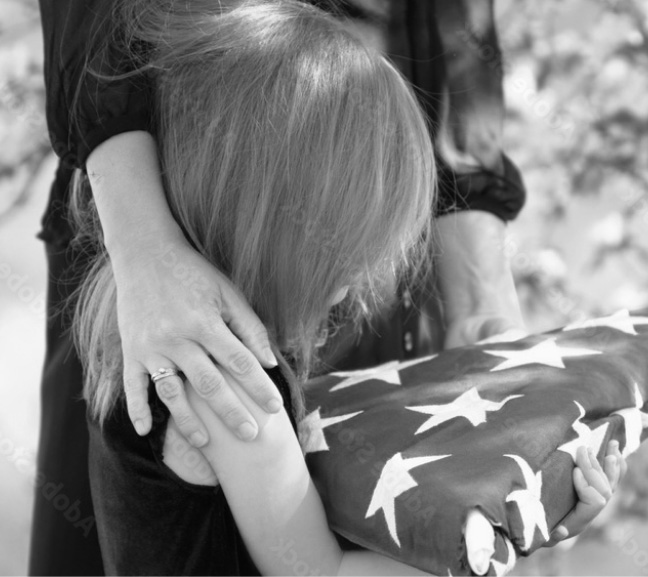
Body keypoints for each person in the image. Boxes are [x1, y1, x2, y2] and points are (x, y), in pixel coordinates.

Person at [71, 2, 624, 574]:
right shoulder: (223, 377)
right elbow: (320, 571)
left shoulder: (157, 338)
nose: (365, 273)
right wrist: (511, 538)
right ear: (283, 226)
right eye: (354, 239)